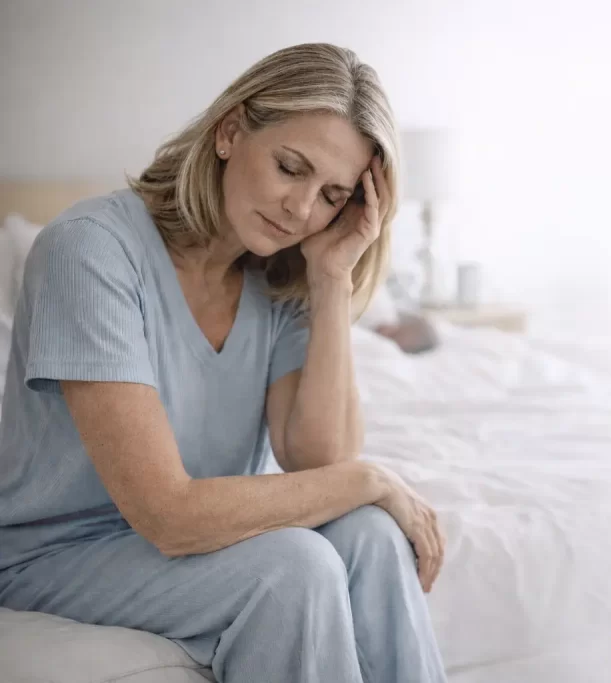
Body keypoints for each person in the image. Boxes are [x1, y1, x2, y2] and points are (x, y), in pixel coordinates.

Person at [0, 43, 447, 682]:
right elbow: (168, 516)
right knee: (296, 565)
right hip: (53, 554)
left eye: (332, 195)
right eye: (291, 167)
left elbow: (319, 461)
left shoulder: (285, 274)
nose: (301, 210)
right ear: (231, 132)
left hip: (204, 542)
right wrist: (371, 479)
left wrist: (331, 281)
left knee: (373, 537)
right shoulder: (90, 251)